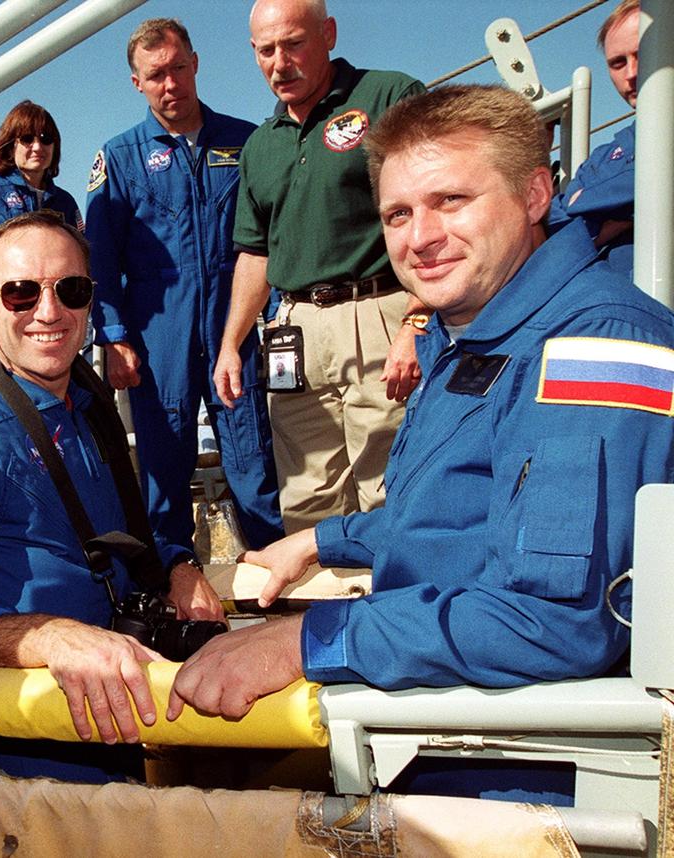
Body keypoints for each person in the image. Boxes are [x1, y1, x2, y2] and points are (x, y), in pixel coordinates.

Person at [170, 84, 674, 805]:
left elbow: (554, 620)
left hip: (527, 780)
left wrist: (307, 641)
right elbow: (469, 517)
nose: (419, 237)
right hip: (446, 730)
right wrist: (320, 542)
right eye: (398, 214)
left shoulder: (587, 342)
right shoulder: (477, 328)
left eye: (451, 202)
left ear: (536, 194)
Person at [0, 210, 224, 783]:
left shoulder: (88, 412)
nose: (48, 312)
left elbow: (121, 532)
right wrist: (47, 637)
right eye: (19, 293)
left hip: (114, 724)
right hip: (22, 758)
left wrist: (178, 566)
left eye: (71, 289)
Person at [214, 0, 428, 533]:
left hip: (379, 314)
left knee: (391, 487)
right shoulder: (260, 146)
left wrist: (418, 319)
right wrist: (230, 344)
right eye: (267, 50)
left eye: (294, 44)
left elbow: (428, 209)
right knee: (307, 495)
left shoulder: (389, 96)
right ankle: (321, 616)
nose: (280, 63)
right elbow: (255, 253)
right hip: (294, 331)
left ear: (328, 34)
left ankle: (396, 613)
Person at [84, 18, 283, 561]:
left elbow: (271, 239)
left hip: (234, 329)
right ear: (137, 83)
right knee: (163, 467)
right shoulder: (120, 157)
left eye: (177, 68)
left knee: (252, 463)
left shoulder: (248, 142)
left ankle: (272, 579)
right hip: (157, 340)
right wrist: (116, 337)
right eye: (156, 75)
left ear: (195, 64)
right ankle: (169, 587)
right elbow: (99, 258)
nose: (170, 84)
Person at [0, 100, 83, 378]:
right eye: (27, 138)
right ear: (10, 145)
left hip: (45, 321)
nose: (37, 146)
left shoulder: (65, 203)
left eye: (46, 139)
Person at [549, 0, 639, 272]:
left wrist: (587, 204)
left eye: (644, 54)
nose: (631, 74)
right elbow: (551, 224)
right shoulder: (603, 158)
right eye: (618, 63)